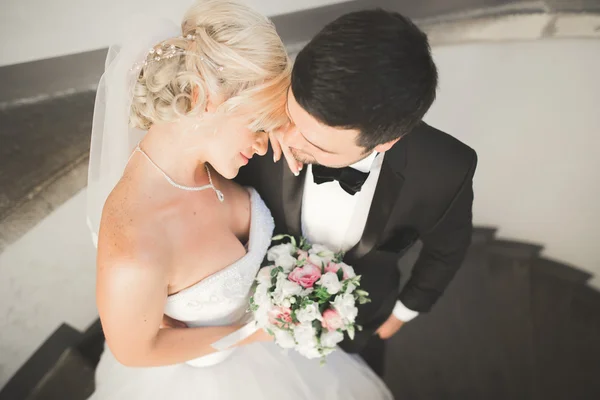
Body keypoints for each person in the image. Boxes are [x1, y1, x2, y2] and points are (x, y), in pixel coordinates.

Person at [87, 0, 392, 398]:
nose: (265, 141)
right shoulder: (134, 241)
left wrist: (285, 124)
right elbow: (134, 350)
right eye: (257, 122)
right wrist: (250, 334)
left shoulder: (217, 158)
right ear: (201, 97)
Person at [237, 9, 478, 376]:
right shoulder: (255, 113)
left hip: (360, 326)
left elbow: (448, 248)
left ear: (387, 141)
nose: (288, 137)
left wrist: (403, 313)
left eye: (318, 144)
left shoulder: (445, 169)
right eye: (293, 116)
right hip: (248, 322)